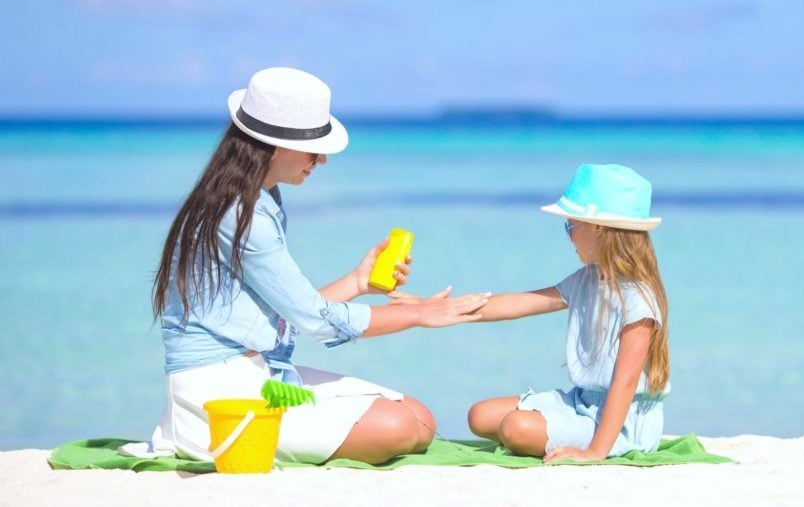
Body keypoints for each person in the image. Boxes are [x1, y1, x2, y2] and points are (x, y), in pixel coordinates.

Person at [134, 67, 488, 466]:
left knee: (418, 418)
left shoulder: (257, 199)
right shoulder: (243, 215)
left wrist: (358, 280)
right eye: (313, 149)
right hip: (218, 396)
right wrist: (421, 314)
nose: (321, 160)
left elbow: (293, 312)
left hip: (259, 372)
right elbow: (315, 320)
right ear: (272, 147)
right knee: (405, 427)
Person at [466, 163, 670, 462]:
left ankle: (594, 441)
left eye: (570, 226)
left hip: (624, 420)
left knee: (515, 427)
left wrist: (595, 452)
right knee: (480, 416)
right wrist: (437, 309)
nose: (569, 237)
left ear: (598, 228)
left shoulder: (639, 299)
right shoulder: (587, 279)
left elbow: (625, 382)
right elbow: (516, 303)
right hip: (582, 402)